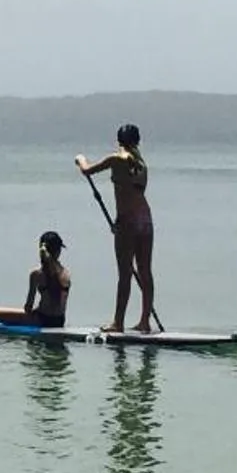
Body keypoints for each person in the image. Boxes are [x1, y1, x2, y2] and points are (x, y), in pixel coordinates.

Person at [76, 123, 157, 332]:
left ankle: (118, 322)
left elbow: (87, 171)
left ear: (119, 140)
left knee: (125, 273)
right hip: (145, 220)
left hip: (128, 220)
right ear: (137, 141)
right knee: (145, 270)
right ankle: (145, 321)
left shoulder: (116, 159)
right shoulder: (141, 164)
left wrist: (80, 159)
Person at [0, 231, 71, 330]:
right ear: (59, 251)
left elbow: (28, 308)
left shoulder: (36, 274)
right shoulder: (66, 273)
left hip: (43, 320)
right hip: (60, 321)